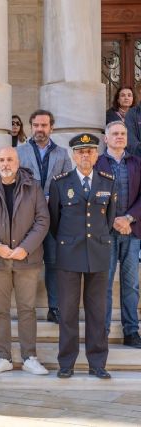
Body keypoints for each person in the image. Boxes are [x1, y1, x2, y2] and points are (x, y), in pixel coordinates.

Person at [0, 147, 50, 376]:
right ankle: (2, 357)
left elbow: (42, 220)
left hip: (27, 258)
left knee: (27, 309)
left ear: (18, 161)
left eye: (10, 159)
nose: (6, 163)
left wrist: (25, 247)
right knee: (0, 310)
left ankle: (30, 357)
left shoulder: (32, 186)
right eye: (2, 160)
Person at [49, 133, 117, 379]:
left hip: (98, 254)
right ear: (73, 155)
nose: (85, 155)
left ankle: (97, 363)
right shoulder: (60, 183)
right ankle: (66, 363)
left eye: (89, 151)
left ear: (96, 155)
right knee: (67, 312)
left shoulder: (108, 181)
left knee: (97, 312)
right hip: (69, 254)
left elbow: (109, 219)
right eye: (80, 151)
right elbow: (54, 222)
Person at [16, 109, 72, 324]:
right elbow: (14, 182)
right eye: (36, 125)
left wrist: (52, 197)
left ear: (51, 127)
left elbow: (68, 184)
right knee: (26, 262)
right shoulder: (19, 152)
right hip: (26, 218)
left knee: (54, 262)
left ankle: (55, 307)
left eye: (44, 125)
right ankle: (24, 309)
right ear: (31, 127)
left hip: (53, 218)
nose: (40, 129)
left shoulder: (62, 154)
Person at [94, 121, 141, 349]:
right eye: (115, 134)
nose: (119, 137)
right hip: (105, 232)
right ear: (106, 138)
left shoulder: (137, 163)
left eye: (123, 133)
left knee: (131, 284)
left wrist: (129, 218)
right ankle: (102, 331)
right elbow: (91, 196)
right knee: (104, 284)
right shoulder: (97, 163)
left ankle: (131, 332)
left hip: (132, 231)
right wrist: (112, 220)